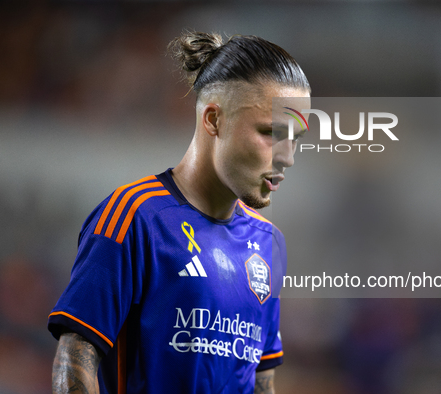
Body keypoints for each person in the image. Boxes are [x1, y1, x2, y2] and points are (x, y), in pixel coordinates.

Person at [48, 31, 310, 393]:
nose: (288, 158)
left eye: (295, 139)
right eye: (270, 133)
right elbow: (75, 358)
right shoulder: (135, 217)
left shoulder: (269, 243)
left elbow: (261, 383)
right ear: (214, 120)